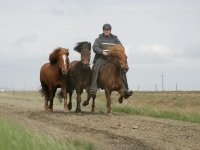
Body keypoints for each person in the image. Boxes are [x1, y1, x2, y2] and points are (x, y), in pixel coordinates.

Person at [90, 23, 133, 98]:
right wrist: (102, 52)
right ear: (103, 30)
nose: (106, 31)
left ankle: (126, 88)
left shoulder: (115, 39)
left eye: (108, 30)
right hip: (102, 58)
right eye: (105, 30)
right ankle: (93, 87)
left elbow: (121, 47)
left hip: (113, 59)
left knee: (123, 68)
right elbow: (95, 47)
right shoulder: (99, 39)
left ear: (110, 30)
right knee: (95, 68)